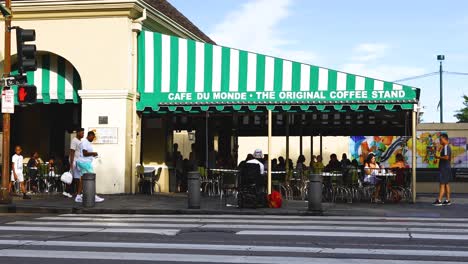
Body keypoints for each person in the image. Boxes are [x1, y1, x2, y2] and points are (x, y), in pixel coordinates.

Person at [77, 131, 104, 203]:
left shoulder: (87, 142)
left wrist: (92, 155)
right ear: (89, 135)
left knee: (83, 179)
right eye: (92, 137)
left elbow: (86, 153)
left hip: (83, 162)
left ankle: (78, 196)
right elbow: (85, 153)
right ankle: (93, 196)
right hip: (85, 163)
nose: (93, 138)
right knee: (92, 178)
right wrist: (93, 153)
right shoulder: (85, 142)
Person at [433, 133, 452, 206]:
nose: (440, 141)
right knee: (446, 184)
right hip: (446, 168)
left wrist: (438, 157)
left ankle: (439, 200)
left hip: (444, 168)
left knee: (442, 184)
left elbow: (446, 157)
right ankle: (448, 200)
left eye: (441, 139)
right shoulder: (445, 147)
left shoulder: (446, 147)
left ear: (445, 139)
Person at [69, 128, 85, 202]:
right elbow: (72, 152)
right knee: (78, 177)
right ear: (77, 133)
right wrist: (71, 163)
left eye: (83, 133)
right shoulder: (74, 141)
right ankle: (77, 192)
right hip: (75, 161)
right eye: (82, 133)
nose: (83, 134)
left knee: (78, 177)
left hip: (79, 161)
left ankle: (78, 192)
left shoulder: (79, 141)